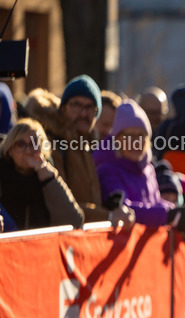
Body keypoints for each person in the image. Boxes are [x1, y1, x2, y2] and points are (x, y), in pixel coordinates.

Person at [24, 76, 135, 226]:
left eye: (90, 107)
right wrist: (108, 216)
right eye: (76, 105)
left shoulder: (85, 144)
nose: (83, 114)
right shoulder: (51, 145)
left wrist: (110, 208)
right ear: (63, 107)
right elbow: (65, 205)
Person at [93, 99, 179, 227]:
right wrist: (169, 216)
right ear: (117, 140)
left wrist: (176, 211)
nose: (135, 142)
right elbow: (124, 210)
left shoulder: (148, 169)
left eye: (140, 136)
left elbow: (155, 202)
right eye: (129, 136)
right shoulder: (107, 170)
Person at [0, 118, 84, 230]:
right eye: (20, 144)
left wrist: (46, 175)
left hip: (42, 245)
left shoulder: (47, 176)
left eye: (34, 144)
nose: (28, 151)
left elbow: (74, 219)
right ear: (10, 150)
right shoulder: (2, 177)